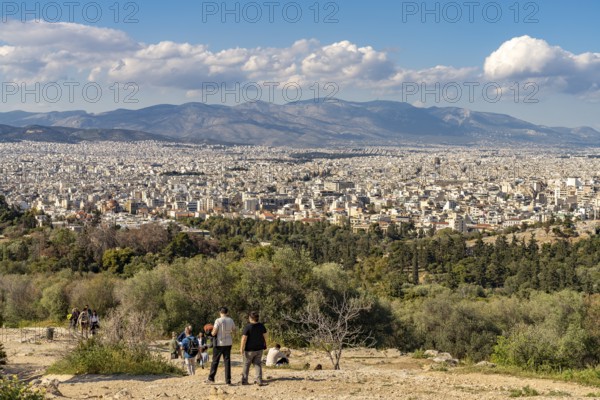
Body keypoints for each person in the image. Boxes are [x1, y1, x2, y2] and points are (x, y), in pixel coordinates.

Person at [206, 307, 236, 385]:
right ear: (227, 312)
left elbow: (214, 332)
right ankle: (228, 380)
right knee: (227, 361)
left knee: (215, 361)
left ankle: (211, 378)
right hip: (228, 343)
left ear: (220, 312)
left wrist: (209, 333)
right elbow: (234, 330)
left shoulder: (218, 320)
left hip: (219, 343)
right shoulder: (231, 320)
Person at [240, 311, 268, 386]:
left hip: (249, 349)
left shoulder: (247, 327)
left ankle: (244, 381)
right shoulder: (261, 326)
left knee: (246, 364)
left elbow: (244, 338)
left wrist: (241, 348)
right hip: (259, 348)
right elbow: (265, 336)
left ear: (250, 318)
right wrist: (265, 344)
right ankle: (259, 380)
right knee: (258, 364)